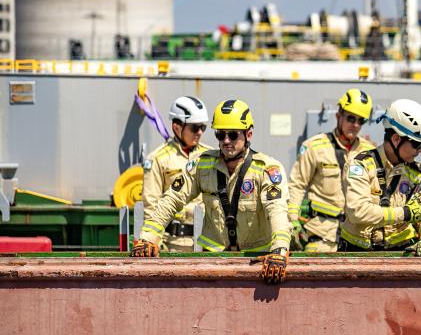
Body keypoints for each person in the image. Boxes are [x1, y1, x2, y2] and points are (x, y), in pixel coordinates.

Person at [132, 99, 294, 283]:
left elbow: (277, 210)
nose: (226, 141)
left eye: (233, 135)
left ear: (248, 134)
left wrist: (280, 251)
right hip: (215, 262)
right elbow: (172, 199)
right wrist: (148, 237)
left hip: (256, 262)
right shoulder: (203, 165)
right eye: (220, 134)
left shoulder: (266, 169)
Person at [340, 99, 421, 256]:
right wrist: (404, 213)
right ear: (396, 139)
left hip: (402, 253)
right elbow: (357, 211)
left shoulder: (418, 174)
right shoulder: (360, 166)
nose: (420, 151)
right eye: (417, 145)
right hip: (357, 255)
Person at [287, 89, 376, 252]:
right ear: (338, 115)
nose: (355, 125)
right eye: (350, 118)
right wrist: (292, 221)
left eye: (360, 120)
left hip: (358, 239)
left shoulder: (369, 152)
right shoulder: (313, 147)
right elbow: (297, 186)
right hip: (322, 238)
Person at [141, 96, 212, 252]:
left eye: (203, 127)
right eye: (194, 127)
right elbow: (151, 204)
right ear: (177, 127)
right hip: (173, 245)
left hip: (207, 244)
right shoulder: (158, 159)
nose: (200, 132)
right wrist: (154, 243)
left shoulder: (210, 156)